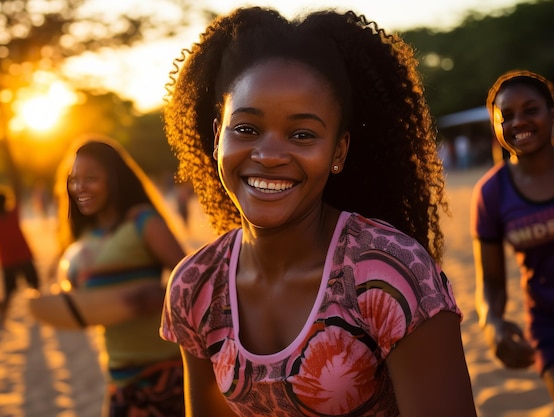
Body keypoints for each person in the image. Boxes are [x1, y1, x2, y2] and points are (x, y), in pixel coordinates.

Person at [160, 7, 477, 416]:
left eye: (302, 134)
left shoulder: (388, 275)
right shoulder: (195, 286)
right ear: (218, 134)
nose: (269, 154)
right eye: (247, 129)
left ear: (338, 151)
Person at [28, 136, 187, 417]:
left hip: (165, 370)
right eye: (74, 179)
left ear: (114, 180)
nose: (79, 187)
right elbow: (83, 301)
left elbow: (193, 281)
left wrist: (161, 296)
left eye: (91, 178)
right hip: (118, 375)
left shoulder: (142, 221)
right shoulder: (84, 239)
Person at [471, 70, 554, 417]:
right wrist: (493, 323)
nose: (519, 122)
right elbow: (491, 284)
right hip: (552, 328)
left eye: (531, 110)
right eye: (506, 116)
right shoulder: (491, 193)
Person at [0, 140, 39, 328]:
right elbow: (19, 189)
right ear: (6, 201)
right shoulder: (13, 215)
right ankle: (40, 314)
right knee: (35, 286)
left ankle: (2, 319)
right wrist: (12, 162)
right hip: (24, 257)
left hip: (6, 262)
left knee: (9, 293)